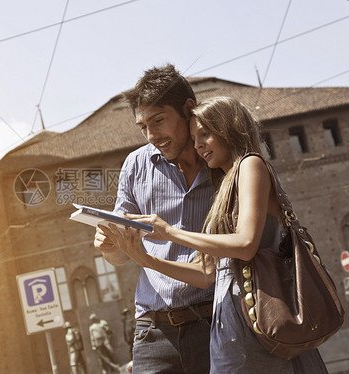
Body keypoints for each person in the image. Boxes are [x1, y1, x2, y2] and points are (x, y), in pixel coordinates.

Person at [100, 96, 328, 373]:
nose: (197, 145)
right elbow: (206, 273)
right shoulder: (223, 187)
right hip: (231, 324)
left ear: (229, 129)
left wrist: (171, 233)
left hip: (261, 315)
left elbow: (245, 244)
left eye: (205, 134)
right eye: (195, 137)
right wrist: (145, 260)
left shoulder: (251, 166)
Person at [94, 64, 215, 373]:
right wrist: (109, 246)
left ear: (188, 109)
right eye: (143, 127)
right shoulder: (135, 166)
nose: (152, 135)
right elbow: (120, 257)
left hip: (218, 323)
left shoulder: (221, 162)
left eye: (158, 121)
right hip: (154, 332)